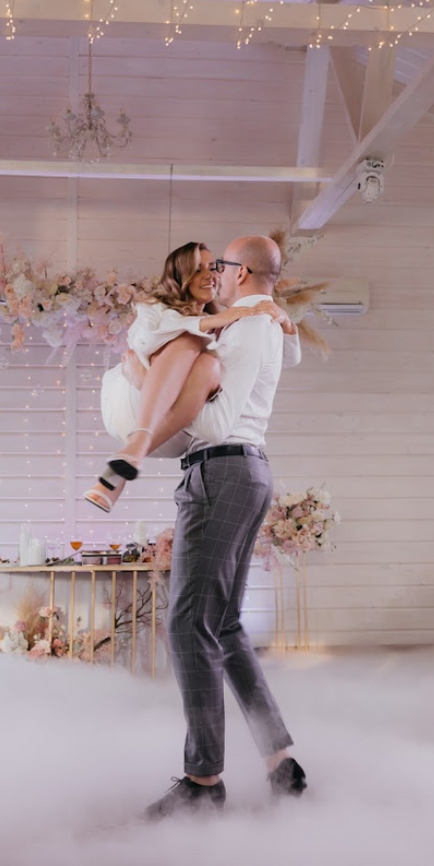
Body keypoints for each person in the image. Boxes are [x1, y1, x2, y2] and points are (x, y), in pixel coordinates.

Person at [137, 234, 307, 819]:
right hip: (243, 471)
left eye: (221, 266)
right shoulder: (262, 322)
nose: (215, 274)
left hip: (222, 470)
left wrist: (161, 418)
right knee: (225, 626)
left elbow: (213, 421)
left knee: (187, 623)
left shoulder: (252, 327)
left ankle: (203, 781)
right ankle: (280, 760)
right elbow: (284, 356)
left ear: (243, 272)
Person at [83, 241, 295, 512]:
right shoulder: (157, 308)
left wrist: (287, 324)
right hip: (133, 401)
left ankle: (124, 465)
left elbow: (283, 357)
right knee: (190, 341)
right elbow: (146, 340)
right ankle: (136, 444)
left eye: (213, 267)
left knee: (209, 366)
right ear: (180, 276)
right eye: (197, 270)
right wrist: (207, 323)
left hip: (172, 427)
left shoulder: (226, 324)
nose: (210, 275)